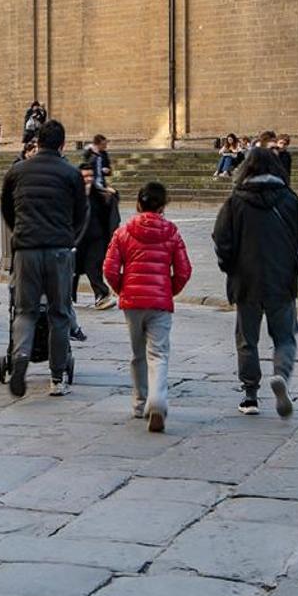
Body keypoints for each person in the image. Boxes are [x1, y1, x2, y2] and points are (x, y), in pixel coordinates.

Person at [212, 146, 298, 418]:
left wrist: (229, 265)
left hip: (245, 281)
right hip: (281, 279)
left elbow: (221, 238)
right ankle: (280, 375)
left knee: (247, 340)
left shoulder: (235, 201)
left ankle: (250, 396)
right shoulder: (289, 198)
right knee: (284, 337)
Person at [0, 120, 87, 398]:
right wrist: (69, 238)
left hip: (26, 250)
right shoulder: (71, 173)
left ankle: (21, 355)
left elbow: (6, 209)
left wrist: (21, 233)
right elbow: (82, 214)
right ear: (62, 144)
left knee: (25, 311)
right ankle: (57, 378)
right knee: (59, 313)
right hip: (59, 250)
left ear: (37, 142)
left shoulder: (18, 171)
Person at [103, 181, 192, 433]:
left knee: (137, 353)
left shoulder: (123, 232)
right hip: (160, 301)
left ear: (138, 203)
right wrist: (169, 289)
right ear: (163, 206)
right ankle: (158, 400)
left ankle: (140, 401)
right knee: (159, 353)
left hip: (132, 301)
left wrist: (122, 289)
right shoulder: (172, 232)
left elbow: (109, 268)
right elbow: (184, 270)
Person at [76, 163, 120, 310]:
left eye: (90, 176)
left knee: (93, 267)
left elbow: (110, 209)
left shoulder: (101, 194)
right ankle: (64, 296)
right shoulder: (72, 195)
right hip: (77, 239)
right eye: (84, 176)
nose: (88, 179)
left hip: (97, 239)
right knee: (71, 270)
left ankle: (102, 295)